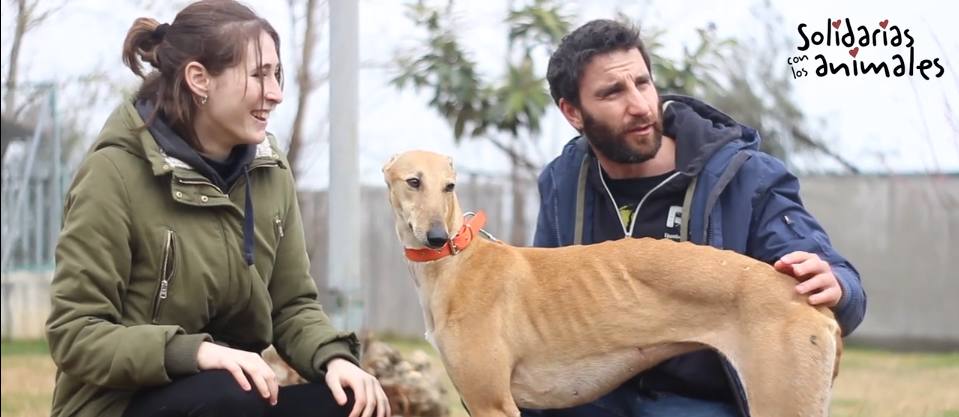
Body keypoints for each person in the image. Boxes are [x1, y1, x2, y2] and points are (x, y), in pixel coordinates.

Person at [44, 1, 390, 417]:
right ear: (199, 79)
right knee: (229, 394)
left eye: (276, 74)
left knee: (353, 404)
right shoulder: (112, 175)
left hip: (231, 397)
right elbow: (75, 334)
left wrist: (333, 358)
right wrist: (196, 353)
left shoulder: (269, 170)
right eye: (258, 75)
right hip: (118, 404)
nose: (276, 93)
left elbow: (291, 305)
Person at [527, 19, 867, 417]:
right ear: (573, 112)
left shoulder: (745, 176)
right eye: (613, 92)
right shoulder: (564, 181)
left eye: (643, 83)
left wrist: (838, 285)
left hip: (701, 400)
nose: (640, 105)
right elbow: (540, 302)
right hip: (593, 398)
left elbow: (836, 282)